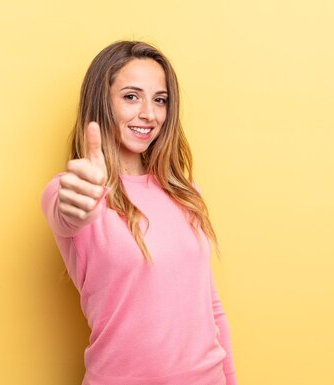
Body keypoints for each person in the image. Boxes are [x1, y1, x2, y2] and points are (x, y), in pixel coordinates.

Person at [41, 40, 237, 385]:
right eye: (131, 96)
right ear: (103, 102)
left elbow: (211, 308)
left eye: (159, 100)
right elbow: (67, 213)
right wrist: (81, 200)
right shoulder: (72, 189)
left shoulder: (185, 193)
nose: (149, 113)